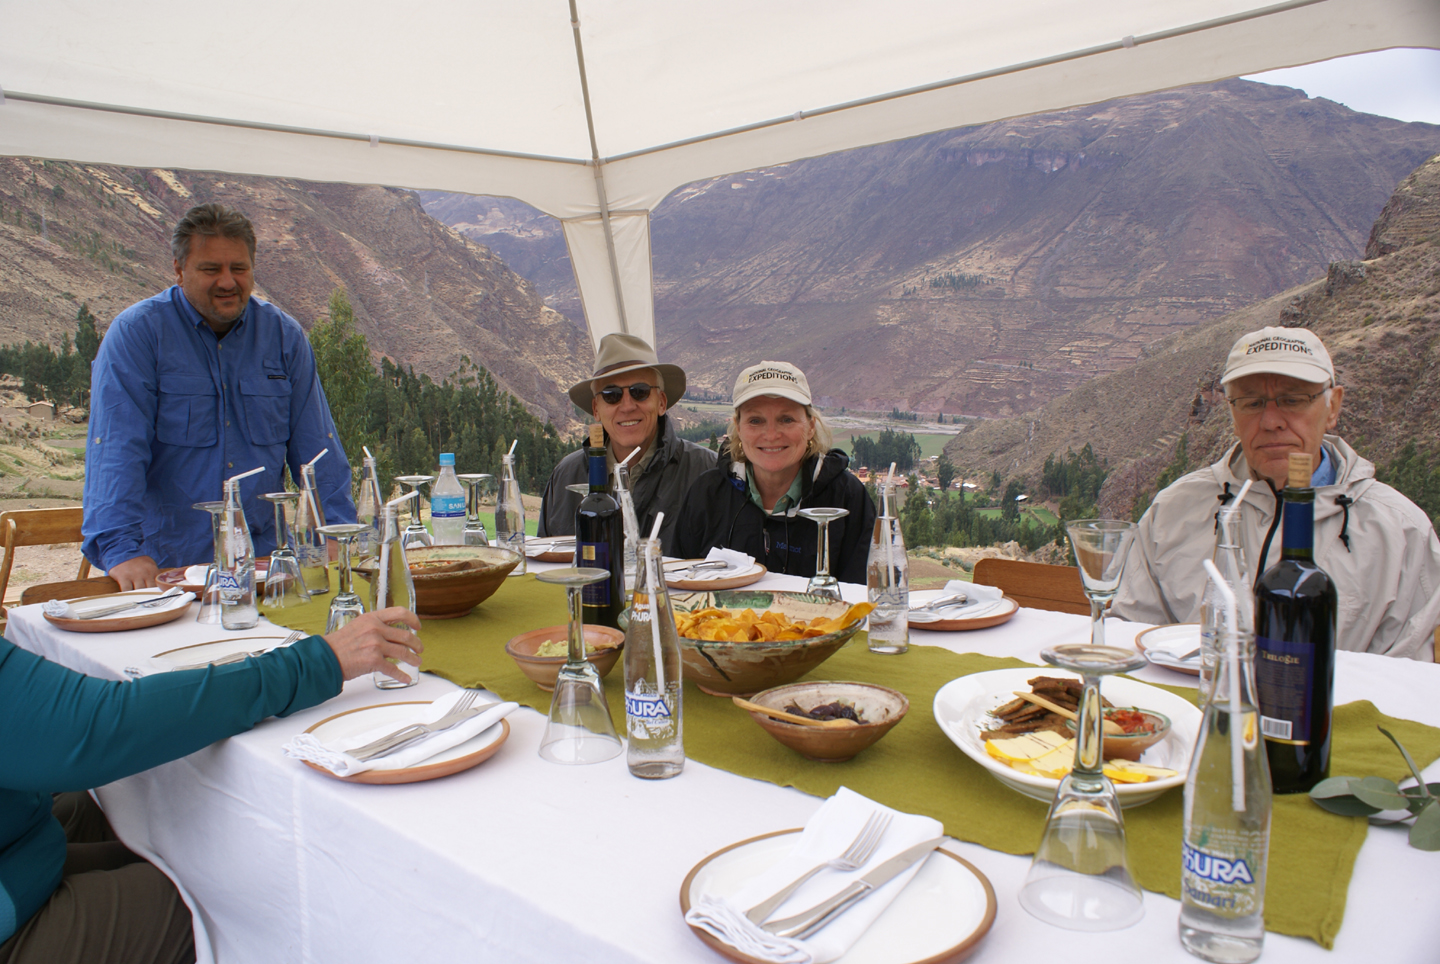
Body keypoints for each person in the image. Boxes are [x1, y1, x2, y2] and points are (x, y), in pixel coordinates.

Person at [0, 609, 422, 963]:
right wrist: (318, 662)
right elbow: (97, 729)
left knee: (123, 821)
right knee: (243, 898)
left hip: (19, 852)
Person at [1114, 326, 1440, 660]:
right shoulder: (1174, 510)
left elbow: (1408, 678)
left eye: (1293, 400)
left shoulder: (1401, 532)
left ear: (1332, 407)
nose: (1271, 421)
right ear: (1232, 413)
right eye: (1252, 403)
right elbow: (1129, 641)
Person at [82, 204, 356, 591]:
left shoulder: (284, 337)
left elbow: (317, 450)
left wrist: (334, 531)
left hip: (264, 568)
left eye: (239, 268)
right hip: (164, 572)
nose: (228, 281)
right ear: (179, 270)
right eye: (211, 269)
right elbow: (115, 449)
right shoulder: (138, 334)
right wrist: (122, 550)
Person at [674, 361, 877, 584]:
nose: (771, 435)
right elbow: (679, 584)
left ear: (810, 426)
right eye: (755, 421)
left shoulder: (847, 497)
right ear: (738, 427)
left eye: (786, 419)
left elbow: (865, 592)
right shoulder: (707, 493)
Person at [536, 333, 716, 554]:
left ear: (661, 403)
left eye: (640, 392)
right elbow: (542, 561)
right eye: (611, 395)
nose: (627, 406)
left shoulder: (707, 472)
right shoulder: (566, 475)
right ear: (596, 409)